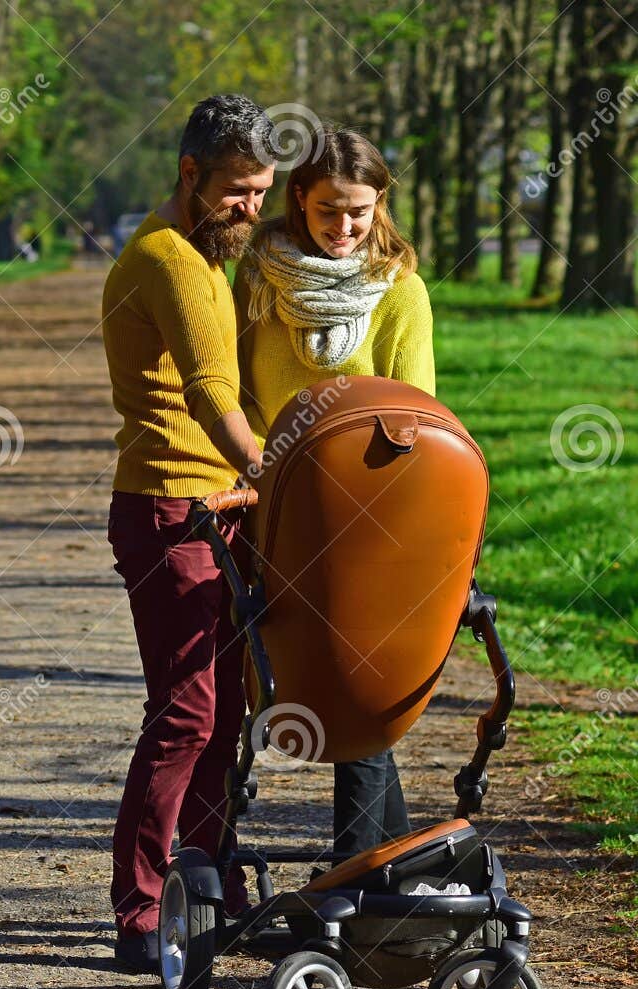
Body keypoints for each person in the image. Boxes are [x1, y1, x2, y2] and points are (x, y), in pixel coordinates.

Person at [101, 95, 274, 974]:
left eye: (262, 192)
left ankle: (210, 880)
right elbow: (209, 393)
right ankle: (138, 908)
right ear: (189, 175)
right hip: (169, 508)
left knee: (229, 709)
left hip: (219, 506)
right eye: (238, 191)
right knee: (187, 710)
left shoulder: (207, 255)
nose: (251, 208)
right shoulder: (166, 260)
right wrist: (274, 470)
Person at [234, 126, 433, 859]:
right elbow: (242, 391)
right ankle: (390, 875)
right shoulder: (259, 276)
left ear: (379, 205)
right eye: (328, 210)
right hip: (273, 511)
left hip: (366, 517)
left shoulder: (400, 292)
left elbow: (415, 410)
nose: (345, 227)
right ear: (298, 200)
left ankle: (361, 877)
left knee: (356, 695)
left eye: (359, 211)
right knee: (267, 684)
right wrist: (255, 465)